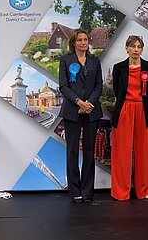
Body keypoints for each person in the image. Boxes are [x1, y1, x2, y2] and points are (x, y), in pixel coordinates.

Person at [110, 35, 148, 201]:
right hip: (124, 110)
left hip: (143, 111)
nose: (136, 49)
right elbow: (117, 91)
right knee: (122, 152)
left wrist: (141, 104)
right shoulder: (118, 68)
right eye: (133, 46)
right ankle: (121, 191)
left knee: (145, 151)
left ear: (142, 49)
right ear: (127, 48)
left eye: (139, 47)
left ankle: (145, 190)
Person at [58, 29, 103, 203]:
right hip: (72, 110)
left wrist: (88, 103)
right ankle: (74, 190)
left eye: (85, 40)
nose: (83, 43)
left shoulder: (95, 61)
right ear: (74, 43)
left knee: (90, 152)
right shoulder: (65, 60)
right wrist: (79, 102)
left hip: (92, 111)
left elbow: (99, 85)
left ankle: (87, 191)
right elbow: (63, 86)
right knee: (72, 151)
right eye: (80, 40)